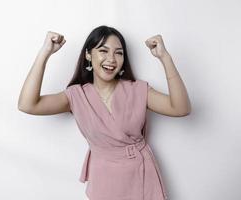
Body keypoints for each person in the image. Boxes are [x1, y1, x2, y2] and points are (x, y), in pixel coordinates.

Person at [18, 25, 191, 200]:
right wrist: (44, 53)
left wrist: (165, 58)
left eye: (118, 53)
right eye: (103, 50)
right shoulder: (76, 96)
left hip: (141, 175)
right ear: (88, 55)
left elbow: (180, 108)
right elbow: (27, 104)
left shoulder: (138, 90)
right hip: (104, 180)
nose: (111, 59)